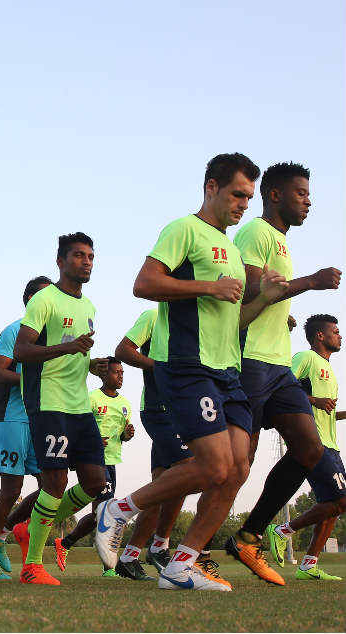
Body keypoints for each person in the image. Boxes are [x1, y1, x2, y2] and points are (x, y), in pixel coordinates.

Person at [93, 153, 288, 592]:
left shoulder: (235, 254)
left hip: (228, 372)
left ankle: (182, 564)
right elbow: (143, 284)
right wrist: (208, 286)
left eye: (249, 197)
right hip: (188, 365)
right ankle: (117, 511)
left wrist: (266, 298)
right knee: (213, 465)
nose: (243, 204)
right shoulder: (183, 229)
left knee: (238, 468)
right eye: (237, 194)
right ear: (211, 187)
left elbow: (233, 320)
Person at [227, 162, 340, 584]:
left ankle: (249, 536)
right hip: (250, 362)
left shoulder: (282, 241)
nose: (308, 201)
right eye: (301, 193)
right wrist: (309, 282)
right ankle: (183, 550)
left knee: (309, 449)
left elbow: (270, 298)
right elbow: (253, 287)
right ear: (274, 195)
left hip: (278, 366)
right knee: (237, 466)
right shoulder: (256, 232)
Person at [13, 232, 107, 586]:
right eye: (79, 256)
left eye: (91, 256)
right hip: (47, 401)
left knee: (97, 482)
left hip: (79, 404)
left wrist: (90, 364)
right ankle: (32, 566)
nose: (86, 262)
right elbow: (22, 352)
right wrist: (67, 351)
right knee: (55, 481)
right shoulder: (44, 300)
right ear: (61, 262)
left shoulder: (89, 306)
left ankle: (30, 527)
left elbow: (74, 354)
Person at [113, 308, 197, 579]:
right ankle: (122, 515)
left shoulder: (197, 318)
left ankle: (130, 556)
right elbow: (123, 350)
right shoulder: (153, 316)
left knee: (165, 483)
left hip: (185, 410)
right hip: (159, 409)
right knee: (191, 468)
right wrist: (161, 367)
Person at [0, 276, 50, 580]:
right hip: (11, 417)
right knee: (11, 489)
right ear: (33, 300)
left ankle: (7, 531)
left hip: (42, 419)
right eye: (48, 295)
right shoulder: (14, 331)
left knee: (51, 486)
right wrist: (31, 381)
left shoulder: (57, 336)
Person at [267, 314, 345, 580]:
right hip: (315, 441)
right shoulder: (306, 358)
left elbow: (324, 409)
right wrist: (314, 398)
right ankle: (283, 530)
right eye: (335, 331)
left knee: (333, 504)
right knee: (341, 500)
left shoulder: (328, 368)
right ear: (320, 336)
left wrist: (339, 413)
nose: (340, 335)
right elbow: (280, 385)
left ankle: (308, 565)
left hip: (330, 442)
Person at [54, 357, 140, 578]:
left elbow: (121, 436)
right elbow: (75, 427)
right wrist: (90, 440)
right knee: (105, 514)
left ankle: (65, 543)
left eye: (122, 373)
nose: (120, 376)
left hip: (112, 462)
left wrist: (126, 435)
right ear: (103, 375)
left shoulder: (125, 404)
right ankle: (109, 568)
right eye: (116, 372)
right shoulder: (91, 398)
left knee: (99, 516)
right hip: (93, 462)